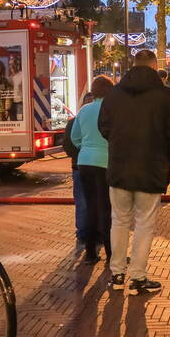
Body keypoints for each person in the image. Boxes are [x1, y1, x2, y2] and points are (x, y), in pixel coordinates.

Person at [98, 49, 170, 295]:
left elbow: (103, 127)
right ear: (154, 66)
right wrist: (167, 155)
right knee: (144, 224)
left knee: (119, 220)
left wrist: (118, 146)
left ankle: (117, 274)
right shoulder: (166, 97)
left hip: (119, 167)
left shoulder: (114, 95)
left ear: (133, 64)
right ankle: (138, 276)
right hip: (151, 168)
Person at [71, 77, 114, 263]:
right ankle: (112, 253)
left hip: (85, 163)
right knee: (107, 208)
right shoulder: (113, 110)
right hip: (106, 162)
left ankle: (90, 253)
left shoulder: (84, 110)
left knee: (90, 206)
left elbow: (75, 137)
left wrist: (86, 149)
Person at [63, 92, 95, 254]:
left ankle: (83, 232)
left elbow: (68, 144)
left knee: (82, 201)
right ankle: (95, 234)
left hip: (79, 166)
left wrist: (79, 155)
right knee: (97, 201)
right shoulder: (100, 119)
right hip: (98, 166)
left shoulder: (74, 122)